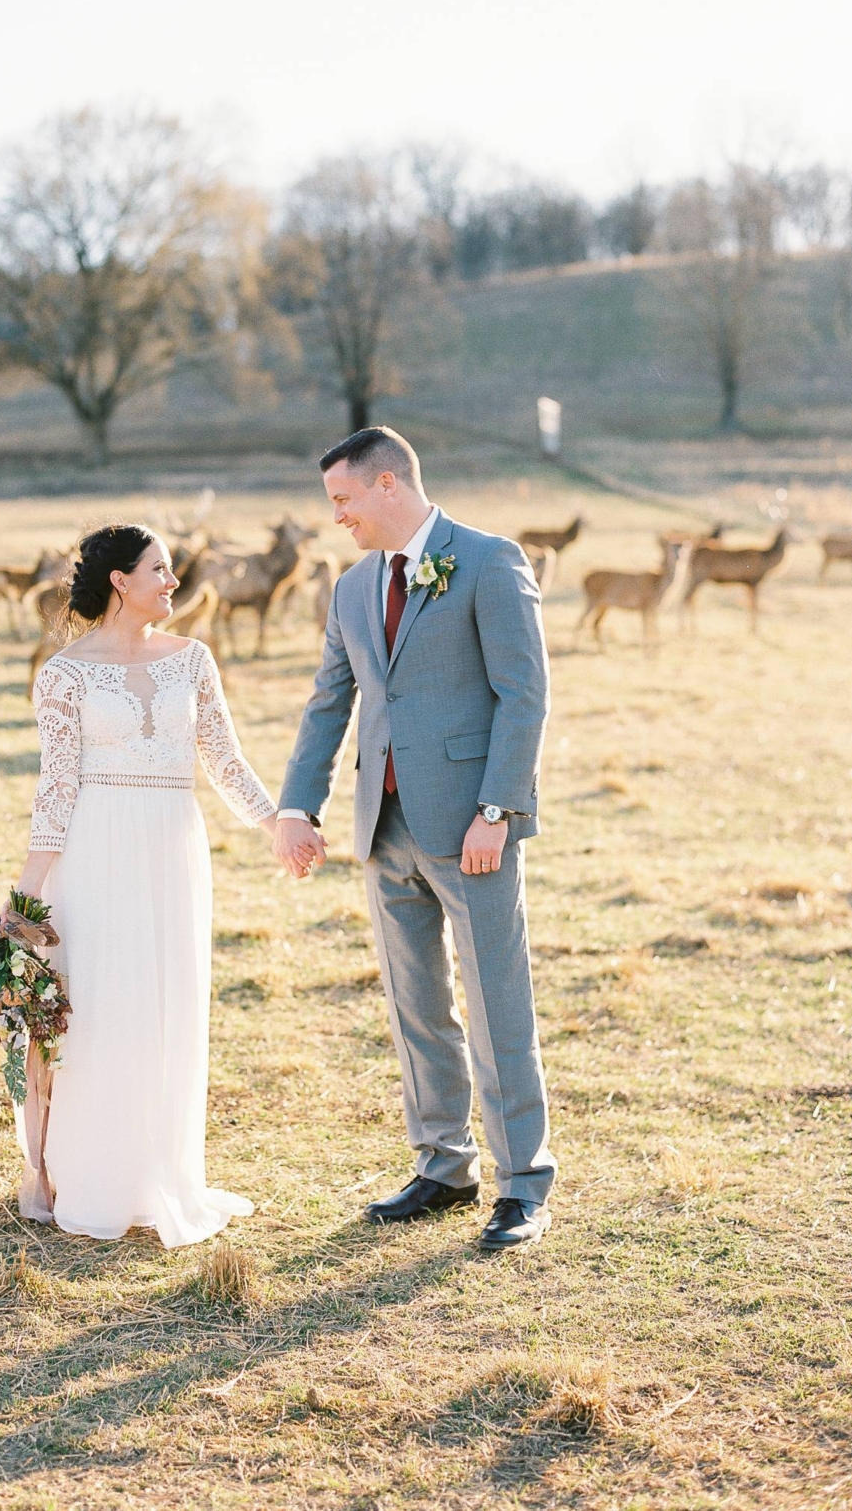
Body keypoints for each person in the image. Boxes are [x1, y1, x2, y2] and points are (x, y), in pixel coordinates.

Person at [273, 427, 556, 1251]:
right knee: (415, 1005)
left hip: (472, 827)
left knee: (498, 1004)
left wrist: (497, 812)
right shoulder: (355, 587)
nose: (338, 518)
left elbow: (523, 698)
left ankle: (523, 1184)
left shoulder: (490, 561)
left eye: (344, 500)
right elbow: (330, 703)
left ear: (388, 484)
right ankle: (444, 1165)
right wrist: (299, 805)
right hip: (383, 828)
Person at [13, 523, 277, 1248]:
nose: (174, 581)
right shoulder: (64, 675)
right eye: (160, 570)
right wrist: (29, 892)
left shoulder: (192, 660)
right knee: (100, 1005)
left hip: (172, 848)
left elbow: (224, 760)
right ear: (121, 581)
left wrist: (276, 822)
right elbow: (57, 786)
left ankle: (160, 1172)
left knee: (165, 1002)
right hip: (95, 850)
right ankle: (93, 1174)